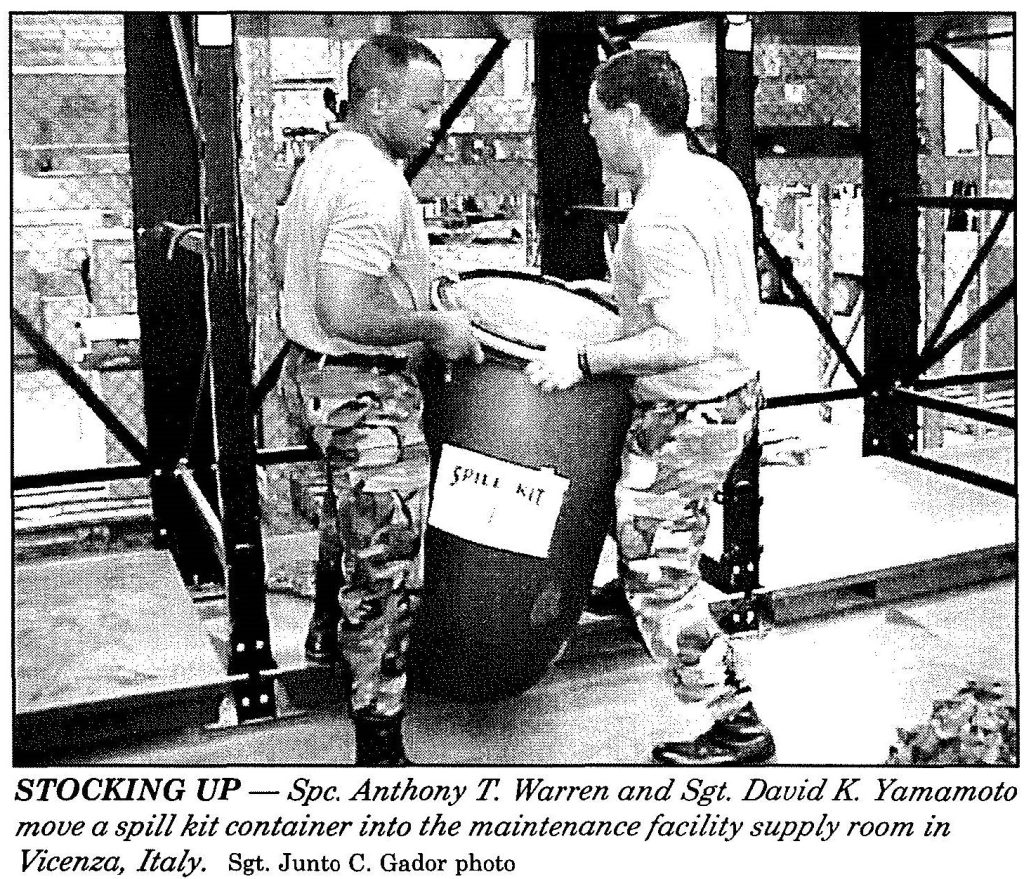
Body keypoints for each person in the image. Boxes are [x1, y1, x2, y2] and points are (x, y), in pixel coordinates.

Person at [525, 49, 774, 766]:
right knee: (643, 515)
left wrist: (583, 358)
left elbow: (682, 336)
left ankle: (735, 719)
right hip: (729, 395)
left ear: (631, 117)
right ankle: (644, 567)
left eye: (597, 120)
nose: (593, 135)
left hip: (689, 406)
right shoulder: (711, 176)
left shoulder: (658, 213)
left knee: (658, 578)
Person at [275, 34, 483, 766]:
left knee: (346, 519)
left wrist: (419, 276)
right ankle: (380, 734)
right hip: (365, 392)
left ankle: (330, 644)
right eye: (425, 107)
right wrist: (433, 324)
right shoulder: (374, 185)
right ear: (377, 101)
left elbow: (303, 272)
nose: (436, 122)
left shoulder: (327, 163)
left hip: (317, 381)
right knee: (389, 569)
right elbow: (343, 306)